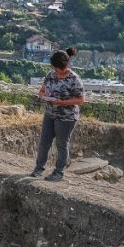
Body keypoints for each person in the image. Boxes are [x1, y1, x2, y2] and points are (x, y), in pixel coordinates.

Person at [30, 47, 85, 182]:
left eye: (57, 68)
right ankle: (39, 168)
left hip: (66, 117)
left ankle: (58, 172)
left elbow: (81, 99)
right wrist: (44, 96)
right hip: (50, 113)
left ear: (65, 65)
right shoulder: (51, 75)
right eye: (54, 68)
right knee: (44, 142)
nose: (55, 71)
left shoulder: (74, 79)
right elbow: (42, 90)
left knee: (61, 144)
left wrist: (62, 102)